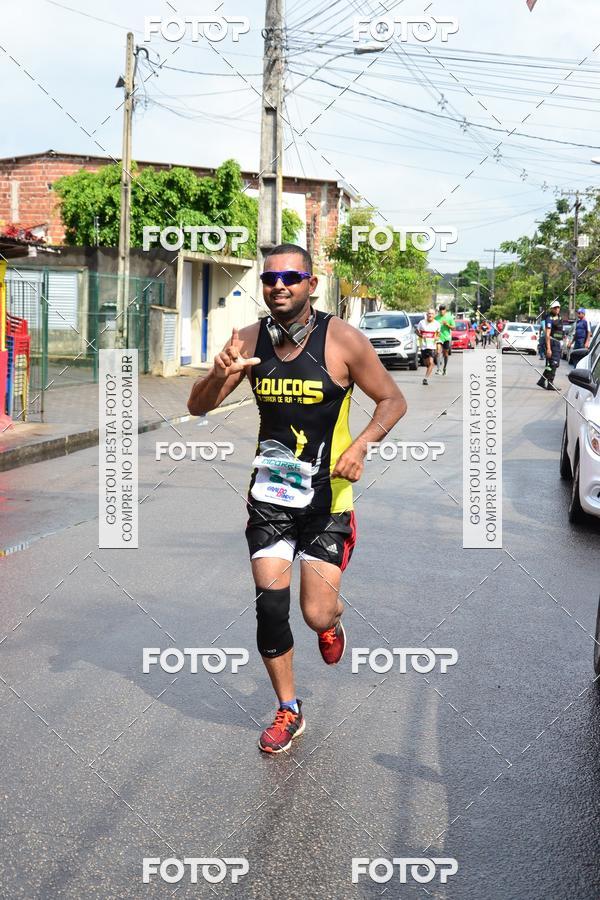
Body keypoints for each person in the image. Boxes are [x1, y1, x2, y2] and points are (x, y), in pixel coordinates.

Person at [187, 244, 407, 753]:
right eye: (269, 278)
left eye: (290, 276)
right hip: (269, 498)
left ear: (311, 284)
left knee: (314, 614)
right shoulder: (246, 340)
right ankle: (288, 708)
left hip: (328, 502)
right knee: (270, 608)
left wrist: (360, 446)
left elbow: (393, 400)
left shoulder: (343, 340)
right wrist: (220, 372)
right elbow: (197, 407)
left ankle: (331, 622)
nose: (278, 285)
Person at [537, 299, 564, 391]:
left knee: (552, 364)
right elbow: (547, 334)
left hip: (558, 343)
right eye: (555, 308)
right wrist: (548, 348)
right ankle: (550, 383)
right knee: (553, 363)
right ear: (551, 309)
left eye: (558, 307)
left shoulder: (559, 317)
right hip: (552, 343)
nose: (557, 309)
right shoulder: (549, 318)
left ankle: (542, 381)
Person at [417, 309, 441, 385]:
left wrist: (437, 339)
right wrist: (421, 335)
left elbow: (438, 334)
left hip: (432, 346)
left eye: (432, 314)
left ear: (434, 315)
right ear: (426, 315)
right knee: (426, 363)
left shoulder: (437, 324)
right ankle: (428, 370)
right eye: (429, 314)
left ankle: (425, 379)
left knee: (431, 363)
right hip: (423, 346)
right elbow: (416, 331)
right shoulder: (422, 322)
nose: (430, 315)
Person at [434, 304, 455, 375]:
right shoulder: (436, 318)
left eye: (443, 309)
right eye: (440, 309)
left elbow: (453, 328)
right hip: (439, 337)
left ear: (445, 310)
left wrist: (447, 325)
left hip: (446, 337)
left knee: (445, 354)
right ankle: (438, 369)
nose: (442, 311)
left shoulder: (449, 318)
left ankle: (444, 368)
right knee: (437, 352)